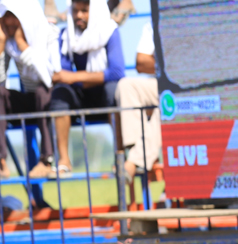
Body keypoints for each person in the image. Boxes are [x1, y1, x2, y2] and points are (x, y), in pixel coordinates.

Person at [43, 0, 124, 179]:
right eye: (75, 10)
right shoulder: (66, 36)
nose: (79, 15)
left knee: (115, 91)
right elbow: (61, 74)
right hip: (79, 95)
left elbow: (117, 72)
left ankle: (120, 157)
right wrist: (86, 78)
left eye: (84, 11)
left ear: (94, 11)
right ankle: (63, 161)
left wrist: (75, 77)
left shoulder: (109, 31)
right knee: (60, 94)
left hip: (104, 95)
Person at [0, 0, 59, 180]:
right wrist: (1, 46)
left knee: (42, 91)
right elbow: (1, 81)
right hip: (31, 100)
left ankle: (47, 160)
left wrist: (23, 45)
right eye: (5, 16)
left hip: (52, 99)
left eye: (14, 16)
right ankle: (1, 161)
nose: (8, 22)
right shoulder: (9, 43)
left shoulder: (49, 34)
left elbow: (50, 78)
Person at [116, 19, 160, 187]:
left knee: (166, 104)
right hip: (162, 81)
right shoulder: (155, 20)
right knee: (126, 86)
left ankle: (133, 162)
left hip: (195, 85)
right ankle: (138, 153)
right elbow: (141, 62)